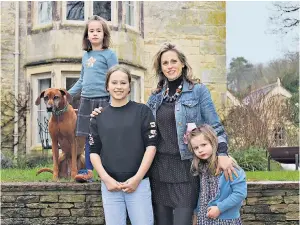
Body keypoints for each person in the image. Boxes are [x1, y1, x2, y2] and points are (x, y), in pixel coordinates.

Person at [91, 42, 236, 225]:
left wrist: (222, 153)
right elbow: (132, 118)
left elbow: (216, 127)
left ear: (182, 64)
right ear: (160, 68)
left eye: (173, 61)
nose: (170, 66)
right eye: (165, 63)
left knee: (183, 221)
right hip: (159, 171)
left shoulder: (198, 92)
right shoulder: (155, 97)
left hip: (186, 169)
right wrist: (103, 113)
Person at [89, 65, 157, 225]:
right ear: (107, 86)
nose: (118, 87)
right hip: (110, 186)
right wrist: (106, 179)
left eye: (123, 83)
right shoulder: (98, 117)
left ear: (129, 87)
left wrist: (137, 178)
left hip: (138, 184)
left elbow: (151, 146)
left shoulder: (143, 111)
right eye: (114, 83)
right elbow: (93, 151)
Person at [68, 15, 118, 182]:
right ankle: (88, 171)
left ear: (104, 34)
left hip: (104, 100)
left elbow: (116, 77)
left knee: (106, 138)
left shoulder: (109, 54)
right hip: (86, 101)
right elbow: (82, 80)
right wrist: (67, 95)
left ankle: (110, 171)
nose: (95, 33)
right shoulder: (85, 56)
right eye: (91, 31)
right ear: (87, 35)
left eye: (99, 30)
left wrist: (115, 100)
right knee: (89, 138)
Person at [187, 124, 247, 225]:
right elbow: (202, 195)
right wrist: (196, 215)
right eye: (196, 148)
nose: (200, 150)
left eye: (204, 145)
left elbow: (240, 193)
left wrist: (219, 208)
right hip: (204, 219)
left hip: (225, 220)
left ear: (213, 142)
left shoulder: (229, 167)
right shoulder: (202, 168)